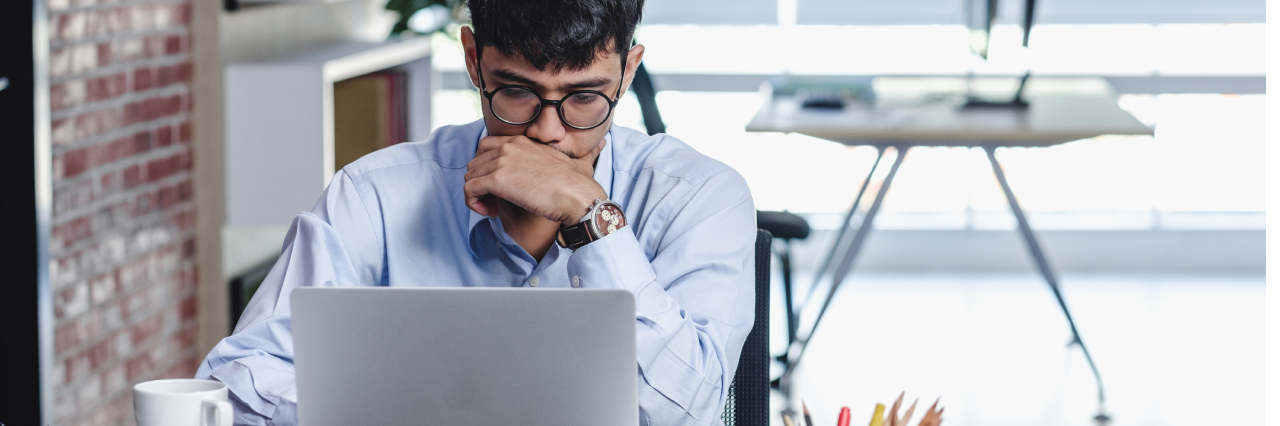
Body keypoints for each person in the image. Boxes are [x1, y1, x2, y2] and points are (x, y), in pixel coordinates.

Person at [195, 0, 757, 424]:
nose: (548, 133)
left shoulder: (698, 195)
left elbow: (686, 413)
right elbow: (237, 383)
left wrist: (589, 214)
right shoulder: (374, 195)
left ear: (628, 71)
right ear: (472, 60)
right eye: (517, 92)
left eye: (585, 98)